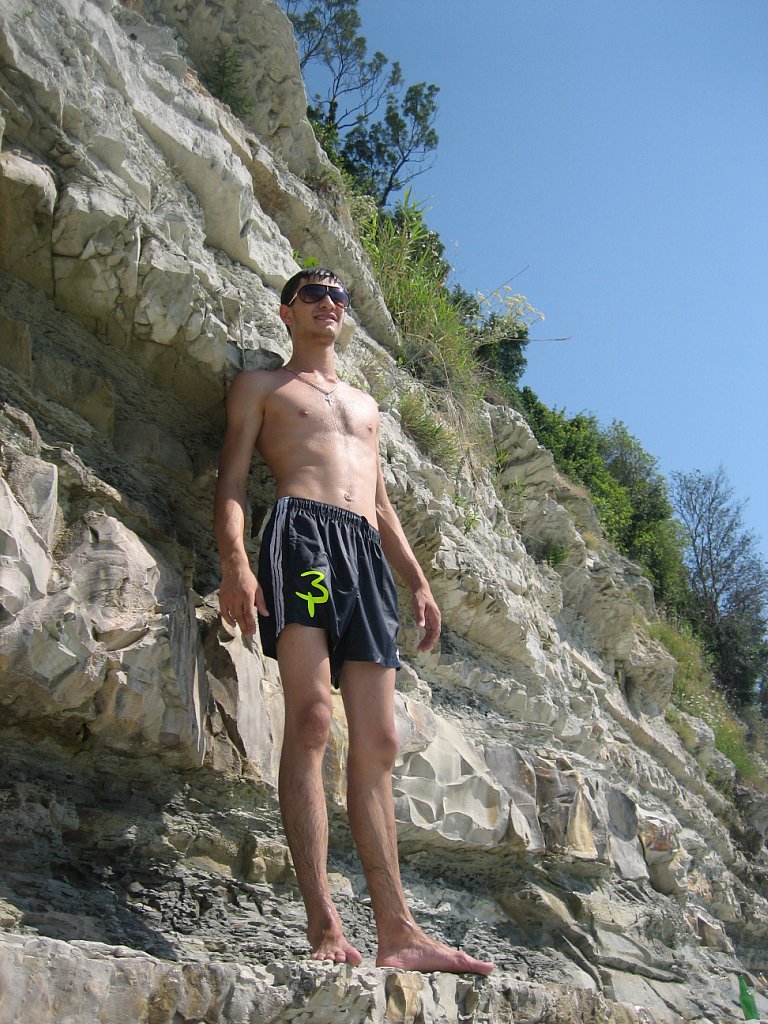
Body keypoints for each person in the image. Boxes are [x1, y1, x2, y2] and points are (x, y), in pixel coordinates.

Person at [214, 267, 493, 975]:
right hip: (303, 539)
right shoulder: (262, 386)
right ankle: (323, 923)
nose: (329, 304)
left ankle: (399, 932)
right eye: (313, 294)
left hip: (365, 556)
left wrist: (418, 580)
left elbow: (382, 502)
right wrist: (236, 561)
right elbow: (233, 478)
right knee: (312, 718)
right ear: (287, 312)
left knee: (381, 740)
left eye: (338, 296)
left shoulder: (366, 405)